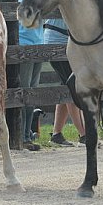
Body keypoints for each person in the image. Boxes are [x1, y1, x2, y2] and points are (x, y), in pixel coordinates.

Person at [12, 0, 43, 151]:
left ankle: (27, 133)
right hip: (24, 48)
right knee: (25, 91)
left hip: (38, 46)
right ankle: (21, 135)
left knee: (32, 91)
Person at [43, 18, 87, 147]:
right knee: (72, 88)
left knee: (66, 86)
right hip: (59, 41)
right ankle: (84, 135)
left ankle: (57, 134)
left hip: (65, 40)